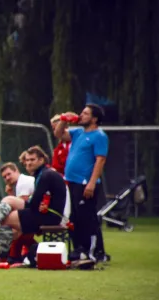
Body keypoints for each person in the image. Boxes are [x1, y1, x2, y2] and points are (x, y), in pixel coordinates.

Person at [0, 146, 67, 268]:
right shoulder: (42, 174)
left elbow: (34, 202)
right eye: (27, 160)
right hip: (47, 213)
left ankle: (4, 256)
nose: (28, 163)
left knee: (7, 219)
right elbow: (38, 200)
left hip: (51, 216)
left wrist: (32, 203)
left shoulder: (45, 175)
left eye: (32, 160)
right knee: (8, 202)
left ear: (41, 160)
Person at [54, 104, 109, 262]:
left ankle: (95, 251)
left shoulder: (99, 136)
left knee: (87, 218)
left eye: (85, 113)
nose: (81, 115)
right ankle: (79, 248)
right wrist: (64, 119)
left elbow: (100, 160)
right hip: (72, 182)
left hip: (85, 183)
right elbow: (59, 133)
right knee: (75, 217)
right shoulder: (78, 132)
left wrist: (91, 183)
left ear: (94, 118)